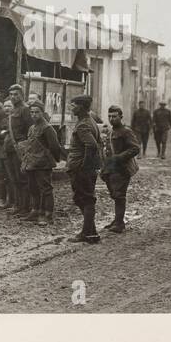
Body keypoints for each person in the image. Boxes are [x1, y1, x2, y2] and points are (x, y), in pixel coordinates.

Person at [66, 94, 103, 243]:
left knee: (85, 199)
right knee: (84, 198)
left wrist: (84, 165)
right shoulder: (90, 121)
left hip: (81, 167)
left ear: (81, 107)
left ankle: (86, 233)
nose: (71, 108)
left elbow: (92, 144)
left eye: (73, 105)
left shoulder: (83, 124)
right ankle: (91, 231)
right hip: (84, 167)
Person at [20, 101, 65, 225]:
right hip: (31, 162)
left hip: (43, 164)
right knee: (33, 187)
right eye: (32, 112)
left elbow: (55, 146)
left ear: (43, 113)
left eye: (37, 112)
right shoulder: (32, 128)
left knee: (45, 189)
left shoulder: (47, 128)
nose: (34, 115)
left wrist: (51, 159)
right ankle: (35, 211)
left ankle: (47, 214)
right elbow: (29, 146)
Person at [101, 105, 140, 233]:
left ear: (121, 117)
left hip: (122, 169)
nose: (112, 119)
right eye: (110, 116)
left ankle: (119, 223)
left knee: (119, 195)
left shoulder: (126, 131)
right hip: (111, 168)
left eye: (115, 116)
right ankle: (117, 220)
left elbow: (135, 148)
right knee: (114, 194)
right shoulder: (111, 132)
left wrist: (119, 157)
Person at [5, 84, 34, 217]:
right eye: (11, 94)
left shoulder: (25, 109)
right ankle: (18, 205)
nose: (13, 97)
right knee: (14, 178)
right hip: (11, 147)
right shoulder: (13, 110)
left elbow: (30, 129)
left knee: (23, 179)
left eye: (16, 94)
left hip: (20, 148)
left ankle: (25, 207)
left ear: (22, 95)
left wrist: (25, 147)